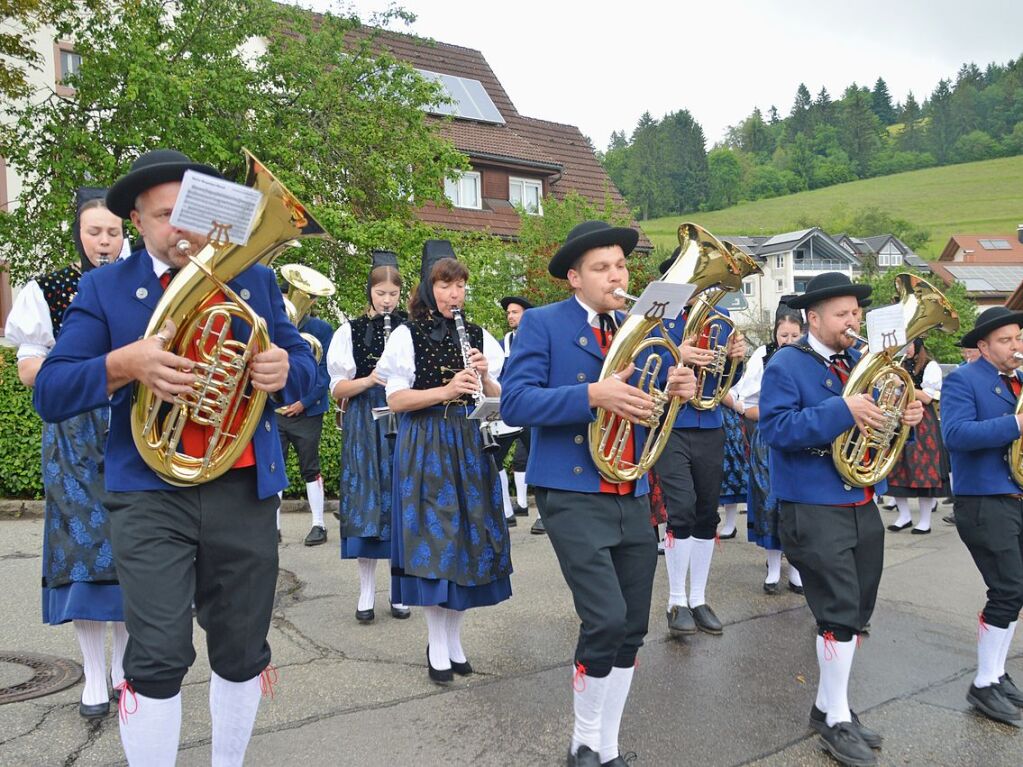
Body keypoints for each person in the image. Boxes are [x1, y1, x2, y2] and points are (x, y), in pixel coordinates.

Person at [32, 149, 317, 766]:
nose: (180, 229)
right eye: (164, 216)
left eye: (189, 213)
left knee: (243, 649)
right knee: (158, 654)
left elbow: (309, 375)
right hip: (148, 494)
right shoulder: (104, 288)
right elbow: (50, 390)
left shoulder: (255, 280)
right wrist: (121, 365)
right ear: (137, 221)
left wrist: (286, 368)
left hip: (242, 490)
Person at [502, 220, 697, 767]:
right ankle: (582, 742)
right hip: (572, 487)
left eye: (621, 265)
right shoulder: (542, 324)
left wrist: (676, 388)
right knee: (606, 619)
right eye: (602, 268)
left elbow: (649, 403)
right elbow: (515, 403)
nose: (617, 275)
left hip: (631, 485)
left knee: (633, 625)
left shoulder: (640, 325)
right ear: (574, 278)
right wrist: (592, 393)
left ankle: (605, 748)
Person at [759, 272, 923, 767]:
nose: (853, 322)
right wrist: (842, 410)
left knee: (857, 610)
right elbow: (775, 429)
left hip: (858, 499)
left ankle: (829, 705)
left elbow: (882, 430)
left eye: (856, 313)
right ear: (813, 318)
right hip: (810, 502)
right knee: (837, 611)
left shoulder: (861, 362)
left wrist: (904, 421)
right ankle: (835, 721)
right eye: (842, 314)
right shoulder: (786, 364)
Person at [4, 188, 129, 719]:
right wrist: (82, 371)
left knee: (132, 547)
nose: (104, 241)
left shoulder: (143, 286)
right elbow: (29, 367)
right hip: (74, 432)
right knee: (84, 553)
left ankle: (125, 670)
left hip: (132, 427)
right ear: (78, 234)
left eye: (114, 232)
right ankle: (94, 677)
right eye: (94, 231)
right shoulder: (49, 288)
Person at [377, 240, 512, 686]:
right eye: (445, 283)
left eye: (460, 284)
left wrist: (486, 375)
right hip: (427, 442)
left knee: (468, 543)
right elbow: (396, 399)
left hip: (470, 443)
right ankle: (437, 644)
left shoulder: (476, 334)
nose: (454, 293)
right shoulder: (405, 334)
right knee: (437, 544)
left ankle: (454, 642)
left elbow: (498, 398)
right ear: (427, 286)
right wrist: (446, 390)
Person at [654, 251, 746, 637]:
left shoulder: (718, 323)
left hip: (708, 422)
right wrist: (678, 354)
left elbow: (726, 381)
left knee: (708, 512)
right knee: (682, 509)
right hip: (671, 424)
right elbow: (643, 367)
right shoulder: (657, 318)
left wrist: (736, 362)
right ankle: (676, 601)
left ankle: (698, 598)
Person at [941, 306, 1023, 726]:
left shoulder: (1019, 382)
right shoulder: (963, 380)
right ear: (984, 345)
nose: (1016, 346)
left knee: (1017, 591)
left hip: (1016, 496)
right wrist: (1016, 423)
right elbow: (954, 435)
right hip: (984, 499)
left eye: (1018, 338)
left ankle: (997, 672)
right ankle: (983, 684)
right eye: (1006, 340)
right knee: (1008, 588)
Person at [327, 250, 411, 623]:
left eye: (393, 293)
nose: (387, 299)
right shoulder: (350, 331)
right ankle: (365, 592)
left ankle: (399, 590)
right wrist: (369, 379)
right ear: (370, 293)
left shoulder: (410, 329)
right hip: (365, 420)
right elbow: (337, 388)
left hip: (403, 416)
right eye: (381, 293)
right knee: (366, 500)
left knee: (400, 498)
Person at [731, 303, 805, 594]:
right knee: (768, 500)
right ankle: (773, 569)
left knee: (797, 504)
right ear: (776, 334)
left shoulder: (810, 358)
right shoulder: (763, 356)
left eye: (794, 335)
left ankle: (797, 569)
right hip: (769, 438)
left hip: (801, 437)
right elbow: (746, 402)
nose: (788, 340)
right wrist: (770, 414)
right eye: (783, 335)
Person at [275, 289, 334, 546]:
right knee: (274, 468)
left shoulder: (320, 329)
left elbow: (324, 371)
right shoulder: (273, 324)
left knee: (310, 467)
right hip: (278, 409)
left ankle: (318, 524)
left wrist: (303, 402)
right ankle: (272, 527)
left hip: (308, 411)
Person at [884, 339, 949, 535]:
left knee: (925, 469)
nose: (906, 350)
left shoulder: (931, 366)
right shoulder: (902, 364)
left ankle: (925, 521)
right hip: (901, 417)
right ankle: (904, 516)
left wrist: (902, 384)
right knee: (896, 468)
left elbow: (928, 397)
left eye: (909, 345)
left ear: (918, 346)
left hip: (923, 420)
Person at [493, 295, 534, 530]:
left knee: (537, 455)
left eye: (515, 312)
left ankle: (542, 515)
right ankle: (507, 510)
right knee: (495, 457)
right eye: (508, 312)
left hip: (532, 407)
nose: (510, 316)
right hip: (509, 408)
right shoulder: (503, 343)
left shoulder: (537, 338)